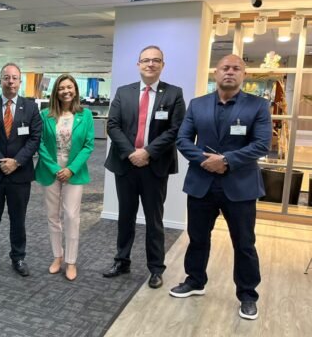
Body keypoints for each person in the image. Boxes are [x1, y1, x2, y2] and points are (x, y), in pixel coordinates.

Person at [172, 54, 271, 320]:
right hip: (201, 183)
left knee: (244, 243)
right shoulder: (198, 104)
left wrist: (226, 161)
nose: (230, 72)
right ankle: (195, 281)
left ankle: (248, 295)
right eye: (225, 68)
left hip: (240, 186)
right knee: (197, 238)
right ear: (216, 73)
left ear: (244, 75)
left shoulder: (258, 106)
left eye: (236, 68)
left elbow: (262, 144)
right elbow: (183, 139)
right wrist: (207, 162)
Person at [103, 45, 185, 289]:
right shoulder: (123, 92)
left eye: (156, 60)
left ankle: (156, 268)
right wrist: (132, 153)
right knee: (125, 216)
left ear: (162, 65)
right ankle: (122, 260)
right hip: (126, 165)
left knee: (154, 219)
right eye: (146, 60)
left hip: (154, 166)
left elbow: (176, 129)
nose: (150, 64)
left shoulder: (174, 93)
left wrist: (147, 152)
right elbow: (113, 125)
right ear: (138, 64)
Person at [0, 63, 41, 276]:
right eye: (6, 77)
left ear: (20, 81)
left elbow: (35, 139)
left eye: (14, 78)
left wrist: (16, 162)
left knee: (18, 219)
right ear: (0, 81)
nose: (10, 81)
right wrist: (1, 162)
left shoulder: (30, 108)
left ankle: (19, 257)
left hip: (20, 175)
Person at [35, 74, 94, 281]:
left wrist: (71, 169)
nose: (65, 91)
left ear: (75, 90)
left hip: (74, 170)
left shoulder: (85, 115)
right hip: (50, 169)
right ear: (56, 92)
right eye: (61, 88)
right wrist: (54, 168)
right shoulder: (45, 115)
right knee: (53, 216)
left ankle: (71, 261)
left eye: (69, 87)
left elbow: (88, 145)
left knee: (71, 216)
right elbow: (40, 143)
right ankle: (57, 256)